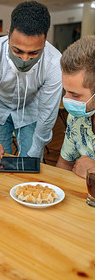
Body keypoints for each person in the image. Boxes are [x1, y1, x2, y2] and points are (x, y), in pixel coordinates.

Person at [0, 1, 62, 163]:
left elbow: (48, 111)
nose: (25, 59)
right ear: (8, 34)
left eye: (34, 52)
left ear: (45, 39)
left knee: (32, 163)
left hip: (31, 108)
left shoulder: (54, 62)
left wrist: (36, 149)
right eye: (17, 50)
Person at [56, 35, 95, 179]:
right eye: (65, 91)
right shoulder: (76, 118)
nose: (66, 99)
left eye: (75, 95)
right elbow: (64, 166)